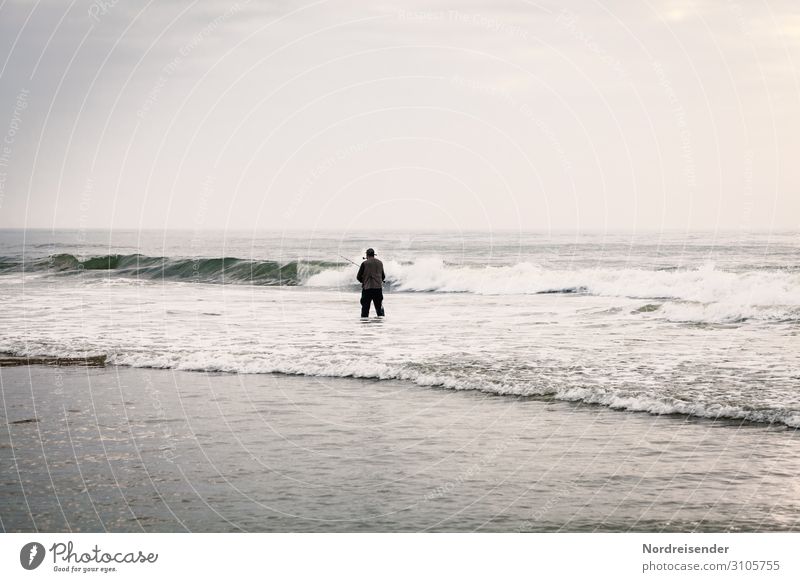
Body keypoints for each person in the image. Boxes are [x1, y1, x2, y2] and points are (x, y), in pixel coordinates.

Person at [356, 248, 385, 317]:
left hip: (367, 289)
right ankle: (381, 325)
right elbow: (383, 276)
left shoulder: (364, 263)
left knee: (365, 311)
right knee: (379, 310)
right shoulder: (380, 263)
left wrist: (364, 281)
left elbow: (358, 277)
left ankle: (365, 324)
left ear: (367, 255)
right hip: (378, 289)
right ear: (373, 255)